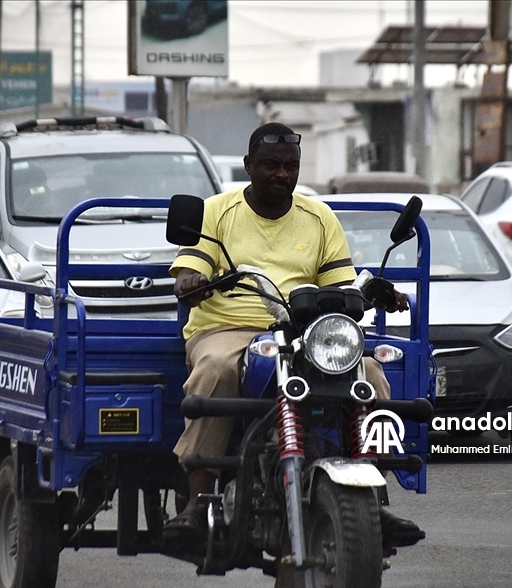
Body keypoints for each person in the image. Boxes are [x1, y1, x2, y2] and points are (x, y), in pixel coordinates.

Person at [164, 122, 424, 549]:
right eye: (270, 165)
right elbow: (190, 270)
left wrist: (371, 291)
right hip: (227, 327)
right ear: (249, 166)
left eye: (290, 166)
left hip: (303, 330)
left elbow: (339, 287)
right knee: (216, 370)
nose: (282, 174)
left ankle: (373, 495)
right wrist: (192, 281)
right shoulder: (217, 211)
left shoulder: (318, 216)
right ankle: (198, 498)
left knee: (370, 373)